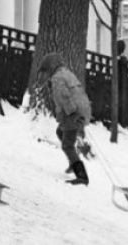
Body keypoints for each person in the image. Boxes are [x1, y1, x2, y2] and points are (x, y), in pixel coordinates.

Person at [38, 52, 92, 186]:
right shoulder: (66, 73)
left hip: (72, 113)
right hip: (82, 109)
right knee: (60, 132)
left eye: (45, 72)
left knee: (67, 145)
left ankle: (81, 176)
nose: (44, 75)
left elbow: (64, 97)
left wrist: (73, 114)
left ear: (51, 67)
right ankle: (72, 161)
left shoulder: (57, 78)